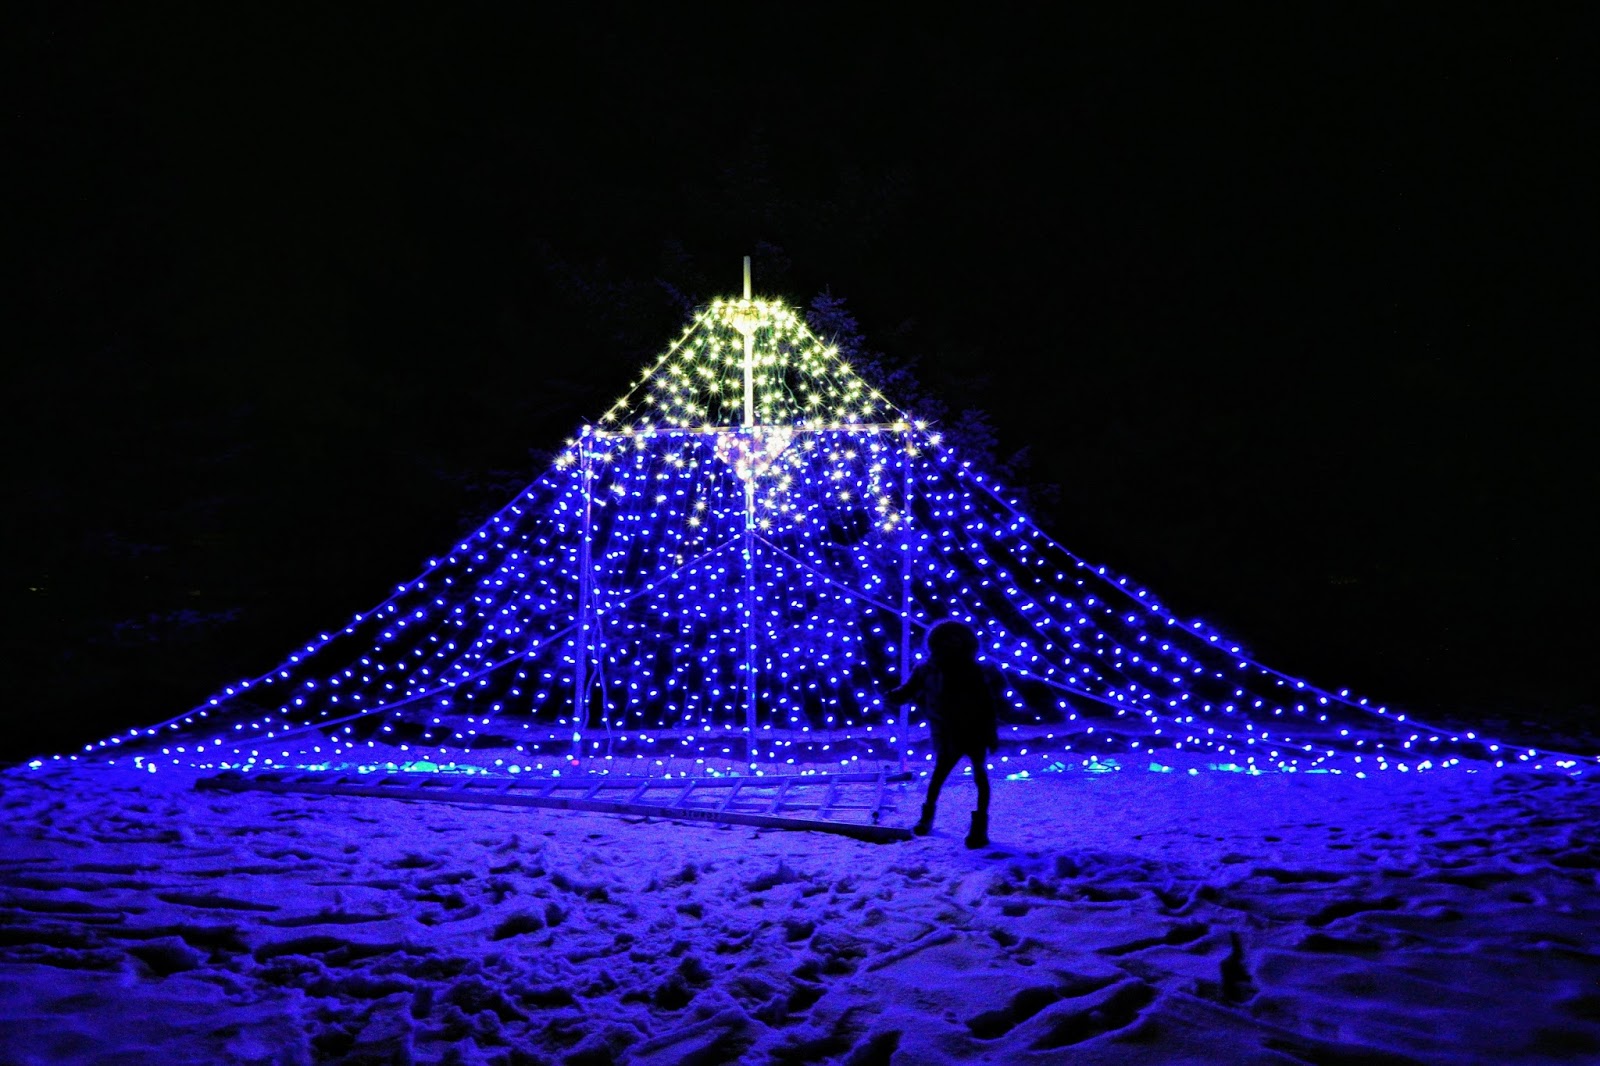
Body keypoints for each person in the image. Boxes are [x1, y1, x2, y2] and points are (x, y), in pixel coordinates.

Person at [885, 619, 1001, 848]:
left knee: (979, 777)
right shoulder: (926, 669)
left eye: (956, 641)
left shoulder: (973, 670)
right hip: (947, 733)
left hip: (973, 731)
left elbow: (986, 704)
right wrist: (895, 696)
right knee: (938, 777)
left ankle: (979, 828)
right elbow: (909, 690)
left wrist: (990, 733)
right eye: (947, 641)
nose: (951, 645)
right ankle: (926, 819)